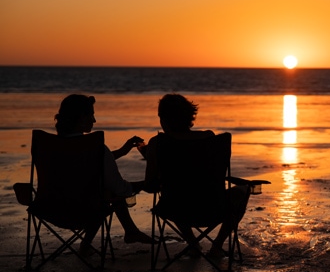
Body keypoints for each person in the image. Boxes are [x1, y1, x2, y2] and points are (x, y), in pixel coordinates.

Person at [144, 93, 249, 258]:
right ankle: (217, 246)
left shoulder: (157, 144)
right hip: (213, 207)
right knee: (242, 190)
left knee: (177, 192)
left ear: (164, 119)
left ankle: (193, 244)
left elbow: (150, 187)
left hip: (175, 208)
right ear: (189, 117)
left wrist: (154, 160)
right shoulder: (209, 138)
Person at [54, 94, 154, 250]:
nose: (94, 120)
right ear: (81, 117)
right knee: (109, 193)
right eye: (91, 115)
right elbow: (119, 187)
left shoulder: (51, 146)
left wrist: (121, 151)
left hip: (52, 209)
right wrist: (145, 184)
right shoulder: (96, 147)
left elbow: (86, 161)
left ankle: (95, 242)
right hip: (86, 211)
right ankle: (130, 231)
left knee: (101, 190)